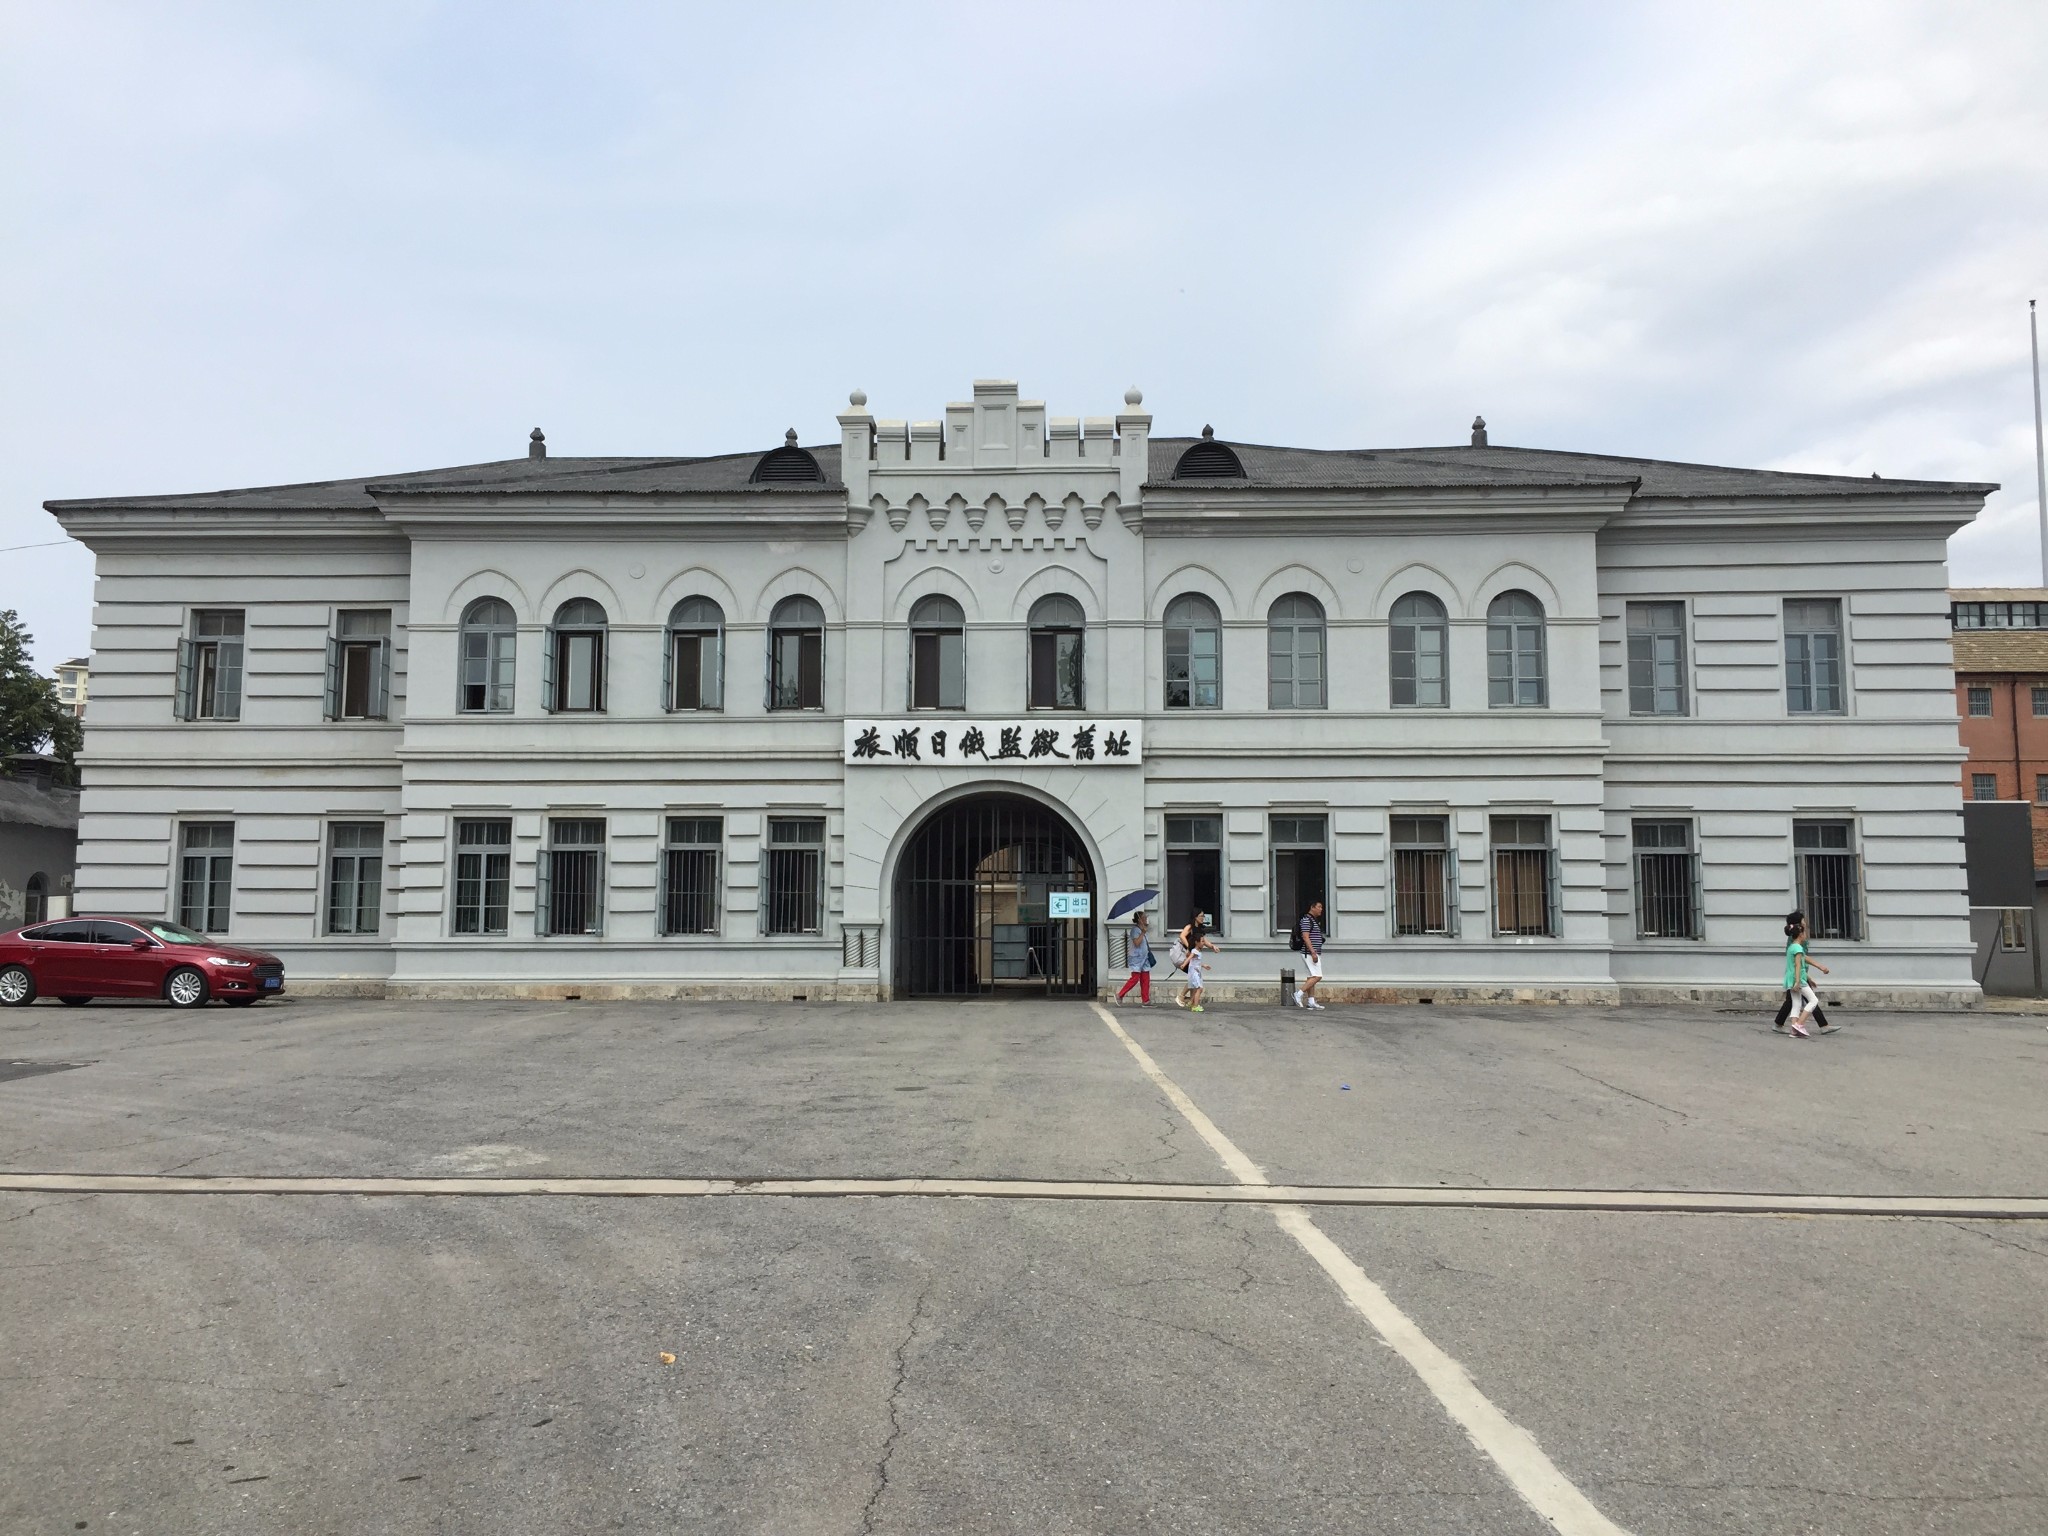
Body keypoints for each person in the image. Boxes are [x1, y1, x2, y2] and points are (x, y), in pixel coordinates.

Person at [1781, 911, 1830, 1038]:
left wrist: (1808, 978)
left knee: (1796, 1003)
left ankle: (1793, 1029)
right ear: (1800, 933)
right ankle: (1799, 1024)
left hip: (1791, 979)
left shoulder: (1792, 946)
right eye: (1804, 932)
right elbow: (1798, 965)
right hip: (1798, 979)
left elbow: (1795, 964)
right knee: (1813, 1000)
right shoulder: (1798, 948)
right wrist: (1799, 981)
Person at [1173, 911, 1220, 1013]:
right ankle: (1183, 997)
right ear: (1195, 917)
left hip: (1193, 956)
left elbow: (1205, 941)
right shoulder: (1190, 927)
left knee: (1194, 979)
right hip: (1187, 955)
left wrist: (1213, 947)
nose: (1203, 918)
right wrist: (1190, 947)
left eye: (1203, 916)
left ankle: (1192, 1002)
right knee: (1194, 980)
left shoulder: (1199, 929)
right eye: (1201, 916)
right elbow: (1182, 936)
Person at [1116, 910, 1155, 1006]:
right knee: (1135, 978)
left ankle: (1146, 1000)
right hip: (1136, 958)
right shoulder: (1135, 930)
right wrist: (1142, 933)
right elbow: (1136, 943)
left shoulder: (1143, 930)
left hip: (1144, 958)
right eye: (1144, 917)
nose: (1146, 919)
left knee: (1146, 979)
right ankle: (1120, 994)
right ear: (1139, 920)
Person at [1293, 899, 1327, 1010]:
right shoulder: (1307, 920)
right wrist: (1313, 952)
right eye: (1319, 907)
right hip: (1309, 953)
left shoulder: (1313, 920)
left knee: (1311, 976)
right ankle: (1298, 994)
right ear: (1312, 907)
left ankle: (1311, 1001)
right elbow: (1305, 937)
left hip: (1313, 952)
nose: (1321, 909)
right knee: (1317, 976)